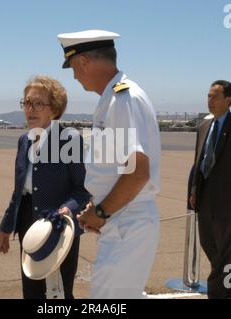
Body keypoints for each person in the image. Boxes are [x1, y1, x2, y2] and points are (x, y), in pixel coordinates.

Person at [57, 30, 162, 299]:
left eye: (73, 68)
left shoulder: (124, 99)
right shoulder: (112, 100)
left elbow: (137, 172)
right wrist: (99, 206)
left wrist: (101, 212)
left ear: (83, 62)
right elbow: (115, 168)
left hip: (127, 219)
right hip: (120, 216)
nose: (74, 76)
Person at [0, 75, 90, 299]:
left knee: (58, 291)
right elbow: (19, 190)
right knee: (32, 290)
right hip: (29, 223)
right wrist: (6, 225)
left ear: (54, 108)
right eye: (27, 103)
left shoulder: (69, 140)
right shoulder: (24, 140)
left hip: (59, 225)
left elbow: (83, 189)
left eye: (38, 103)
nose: (30, 109)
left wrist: (66, 209)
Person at [189, 80, 231, 299]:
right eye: (208, 96)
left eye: (215, 96)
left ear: (228, 100)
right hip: (204, 197)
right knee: (208, 244)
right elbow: (199, 162)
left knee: (224, 248)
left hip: (229, 200)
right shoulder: (204, 126)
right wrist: (193, 190)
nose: (210, 101)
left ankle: (217, 294)